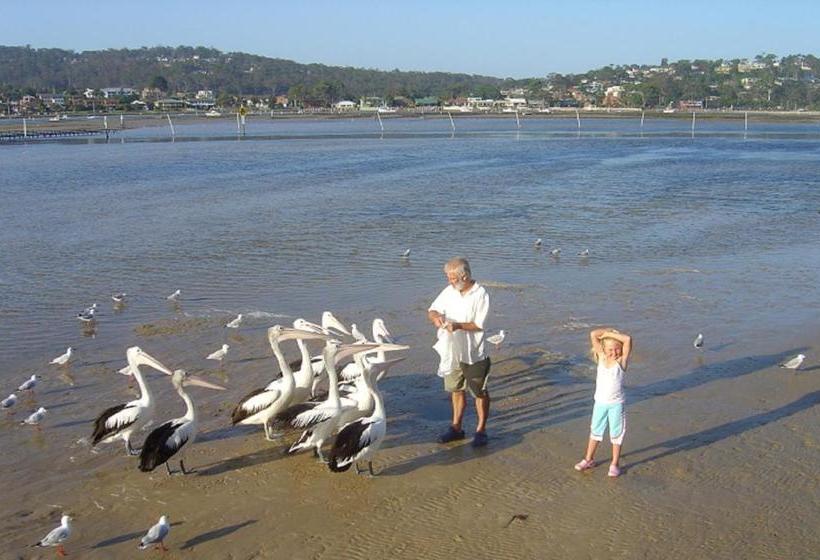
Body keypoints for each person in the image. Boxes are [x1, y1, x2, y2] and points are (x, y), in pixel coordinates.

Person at [428, 257, 491, 448]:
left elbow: (478, 324)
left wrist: (456, 326)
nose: (450, 281)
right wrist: (436, 318)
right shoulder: (450, 291)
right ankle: (456, 427)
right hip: (452, 350)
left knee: (479, 392)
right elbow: (432, 309)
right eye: (448, 277)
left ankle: (481, 430)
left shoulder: (481, 294)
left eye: (453, 278)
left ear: (464, 276)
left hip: (473, 352)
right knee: (455, 389)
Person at [574, 328, 633, 477]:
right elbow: (593, 334)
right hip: (600, 403)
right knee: (595, 431)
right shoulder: (601, 357)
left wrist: (610, 335)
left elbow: (627, 339)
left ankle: (614, 464)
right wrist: (606, 335)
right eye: (610, 349)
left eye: (617, 349)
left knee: (616, 434)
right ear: (604, 349)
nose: (614, 352)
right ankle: (588, 459)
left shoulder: (621, 362)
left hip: (616, 405)